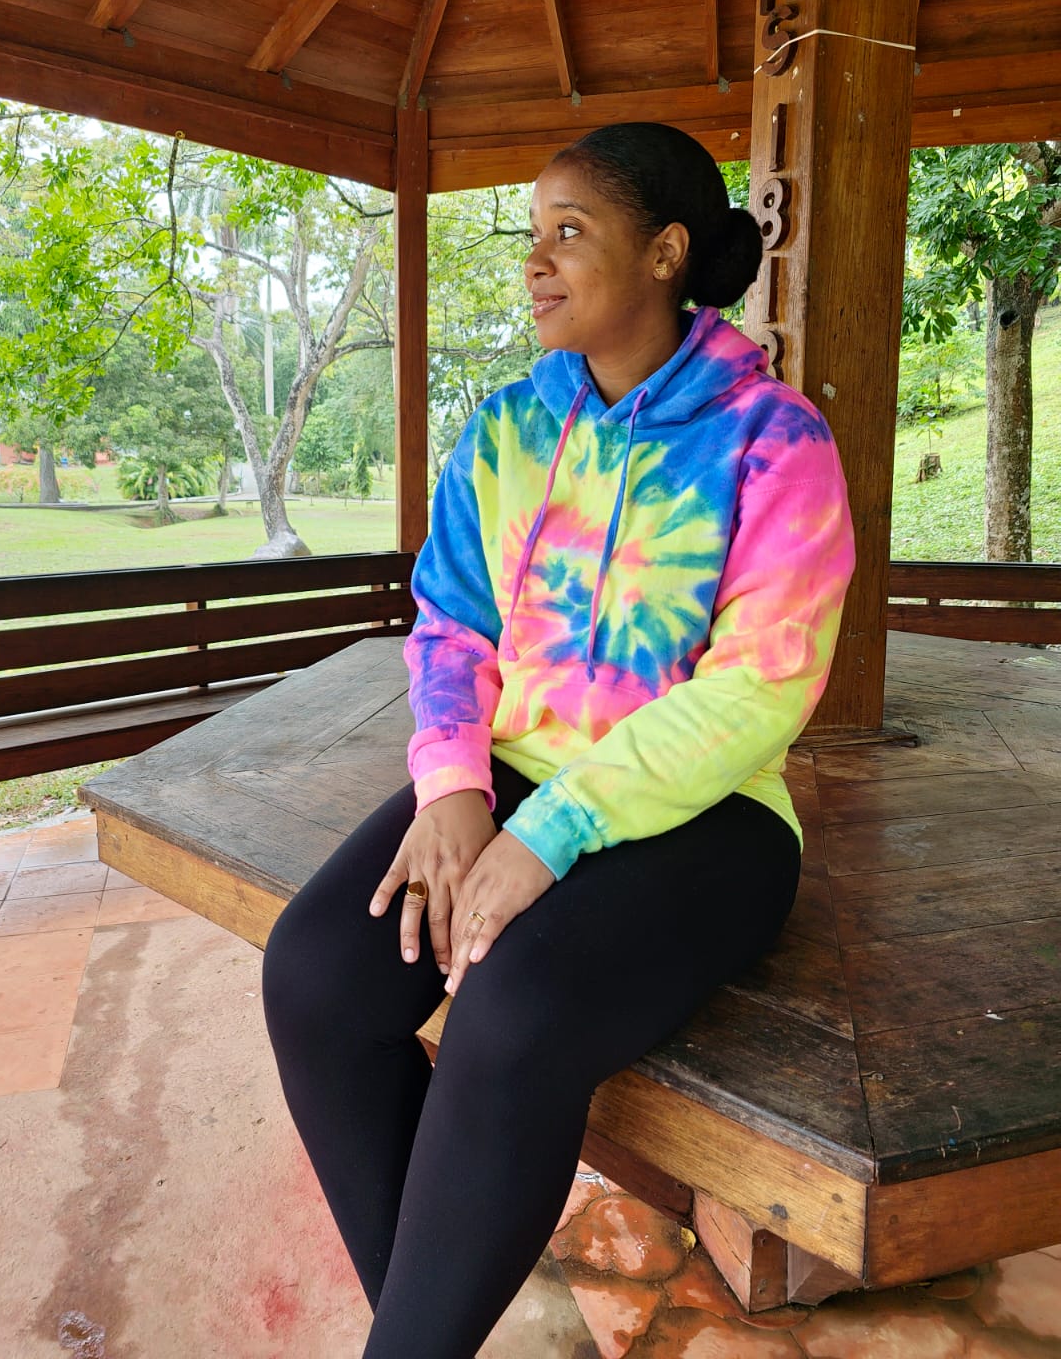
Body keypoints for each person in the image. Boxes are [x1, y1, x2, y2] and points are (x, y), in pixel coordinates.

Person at [262, 122, 855, 1359]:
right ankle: (423, 1326)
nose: (535, 261)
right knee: (316, 975)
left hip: (712, 817)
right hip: (515, 775)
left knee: (512, 1003)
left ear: (665, 251)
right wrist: (451, 790)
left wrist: (551, 829)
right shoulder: (505, 433)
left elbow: (760, 690)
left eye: (569, 232)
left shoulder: (775, 440)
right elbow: (451, 624)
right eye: (531, 236)